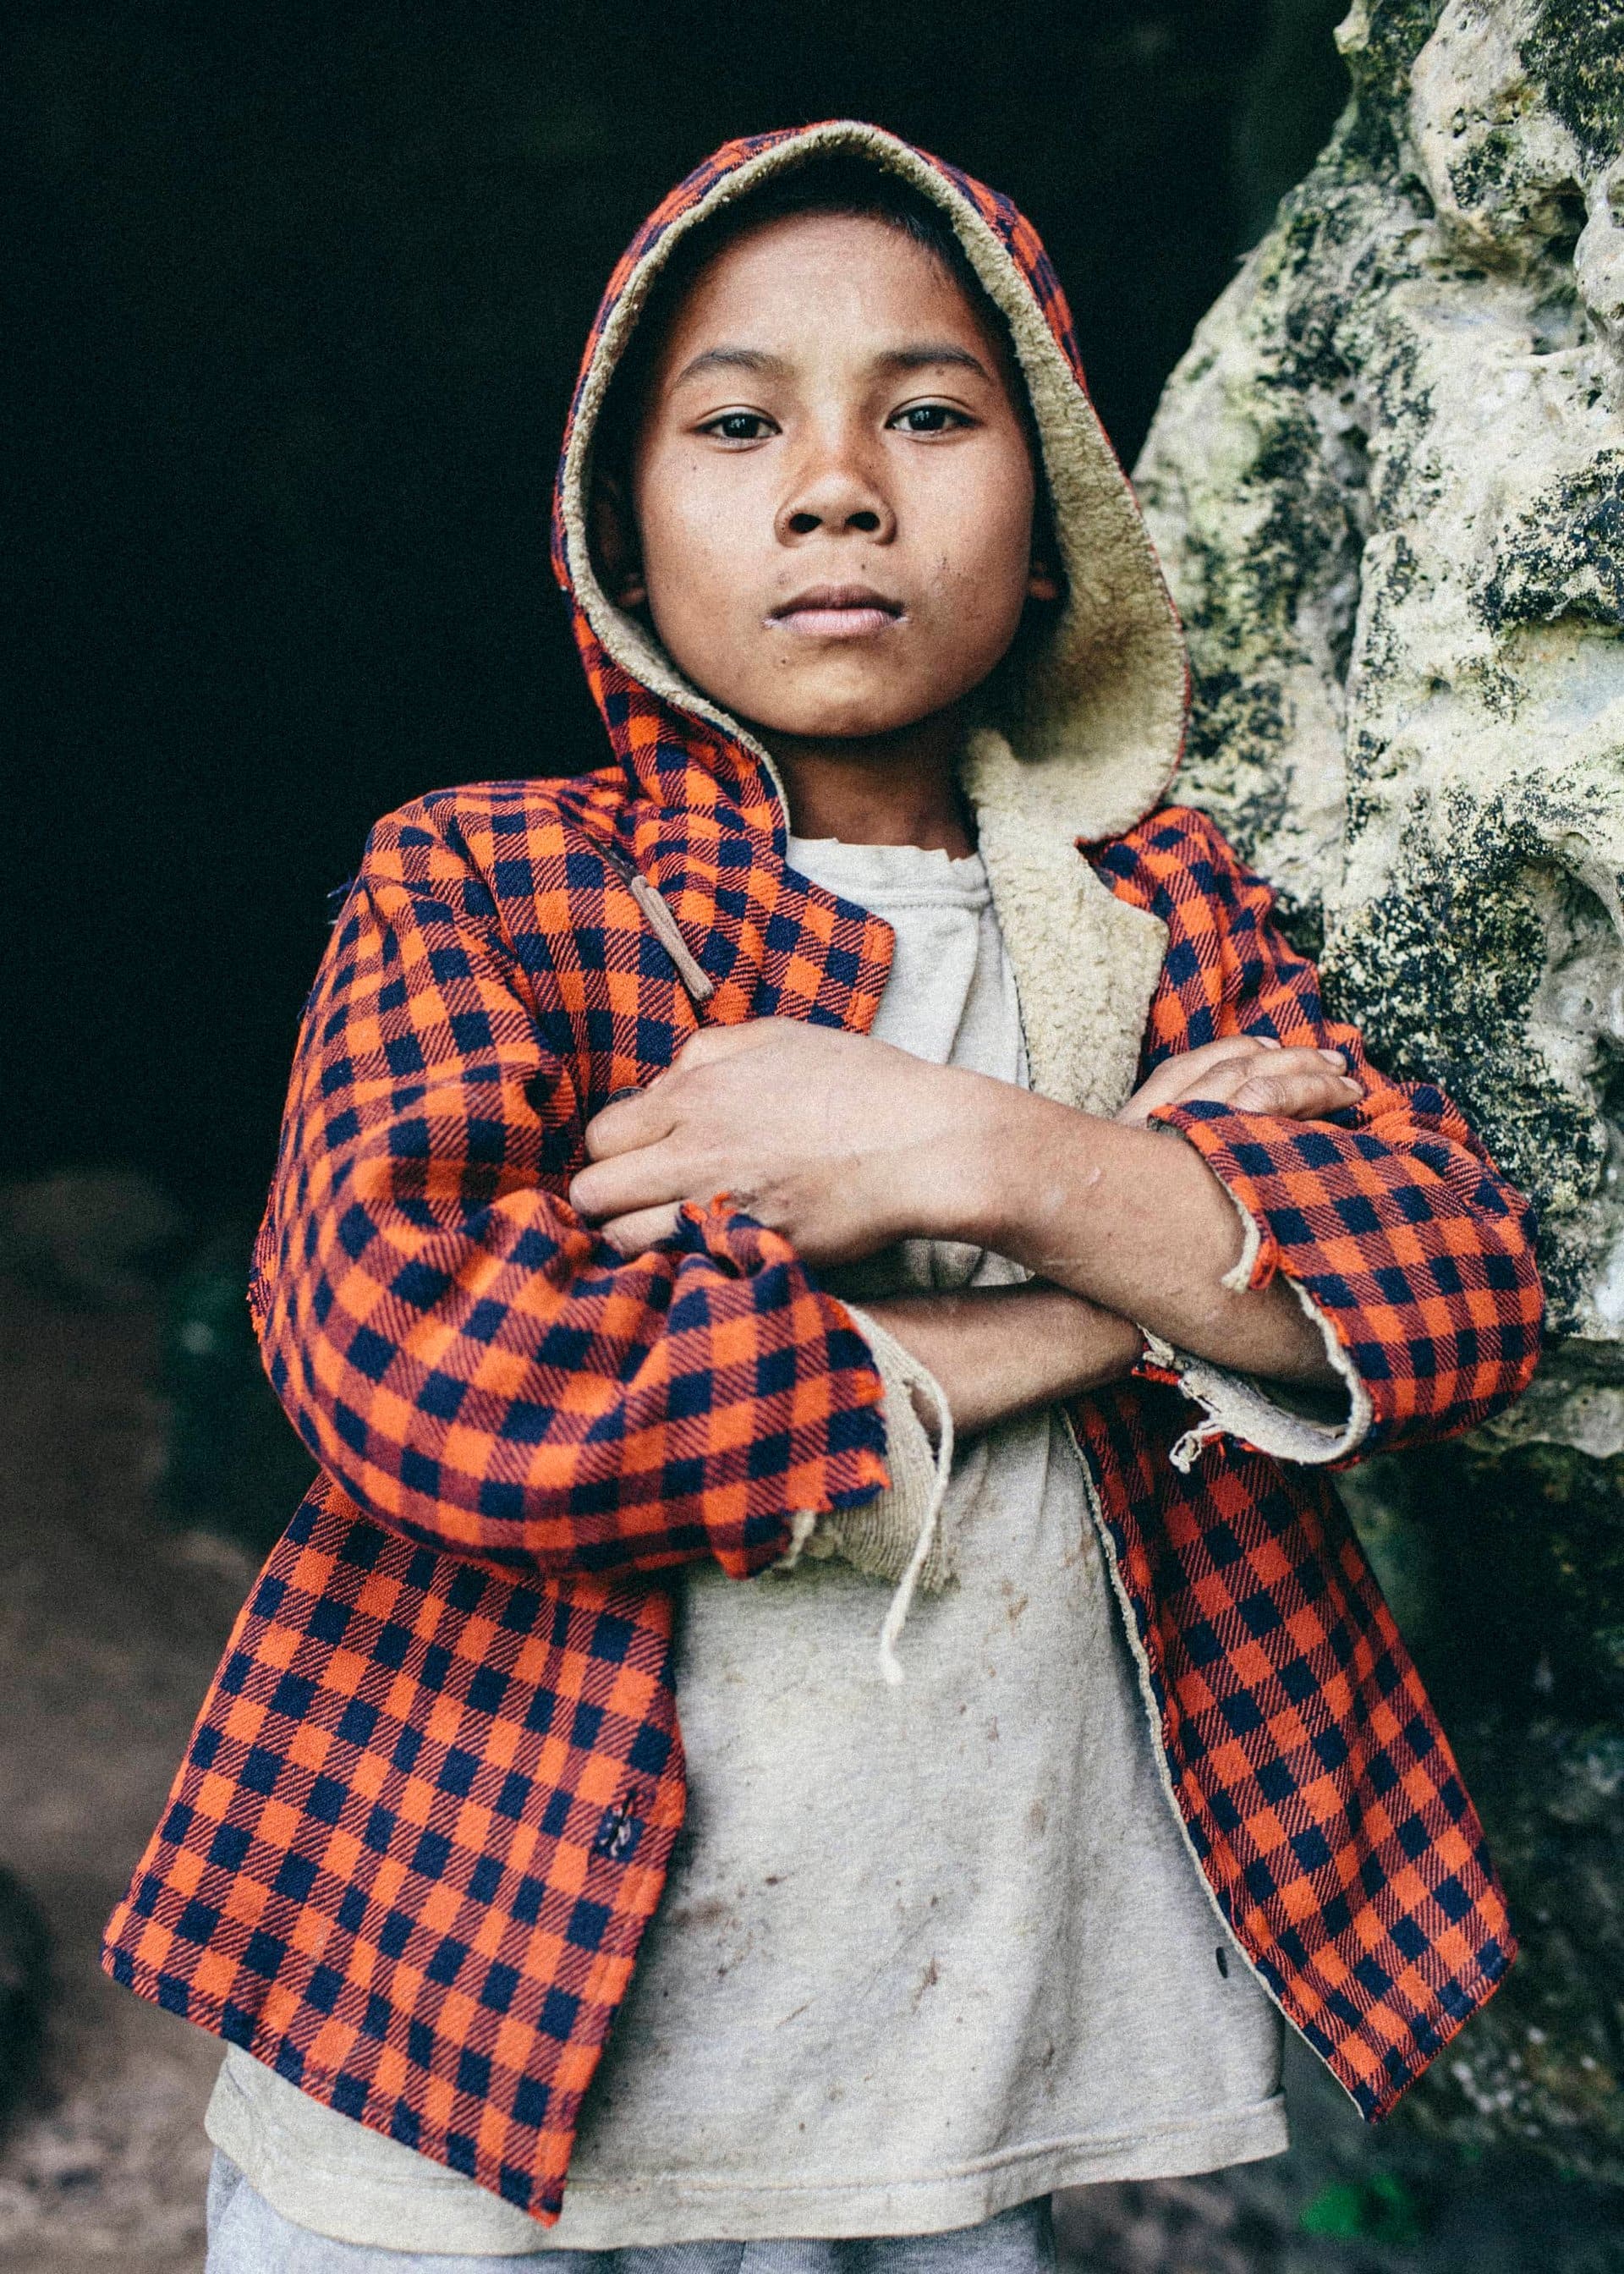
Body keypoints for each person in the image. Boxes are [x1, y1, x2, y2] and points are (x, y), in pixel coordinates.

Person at [103, 124, 1544, 2272]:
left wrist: (965, 1151)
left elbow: (1453, 1283)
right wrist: (1116, 1266)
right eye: (738, 420)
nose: (838, 482)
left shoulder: (1159, 910)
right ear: (619, 527)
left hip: (944, 2099)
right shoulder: (489, 883)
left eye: (935, 413)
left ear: (1056, 521)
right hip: (470, 2067)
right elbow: (434, 1377)